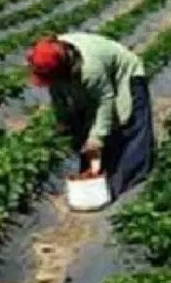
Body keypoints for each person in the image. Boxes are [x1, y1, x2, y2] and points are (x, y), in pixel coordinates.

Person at [26, 33, 155, 200]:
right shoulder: (53, 57)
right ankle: (99, 171)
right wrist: (63, 121)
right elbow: (58, 95)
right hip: (97, 79)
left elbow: (105, 100)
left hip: (126, 74)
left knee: (129, 125)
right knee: (87, 123)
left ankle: (128, 182)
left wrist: (97, 138)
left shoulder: (90, 68)